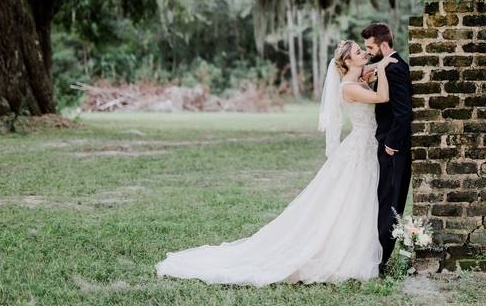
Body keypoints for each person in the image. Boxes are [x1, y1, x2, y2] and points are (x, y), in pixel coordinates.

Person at [155, 40, 398, 286]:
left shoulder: (356, 80)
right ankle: (341, 255)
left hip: (366, 146)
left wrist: (375, 68)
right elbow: (382, 96)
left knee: (358, 200)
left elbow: (367, 76)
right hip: (359, 147)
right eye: (359, 51)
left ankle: (354, 247)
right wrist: (383, 66)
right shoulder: (348, 88)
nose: (364, 53)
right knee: (350, 199)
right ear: (347, 61)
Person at [360, 22, 414, 275]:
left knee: (391, 202)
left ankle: (379, 260)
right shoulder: (385, 65)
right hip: (383, 144)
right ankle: (376, 255)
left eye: (370, 47)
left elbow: (403, 113)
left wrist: (392, 144)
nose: (368, 51)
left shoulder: (394, 69)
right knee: (383, 200)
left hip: (393, 148)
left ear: (384, 44)